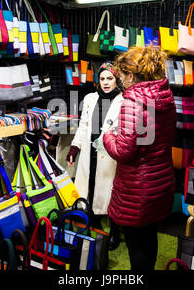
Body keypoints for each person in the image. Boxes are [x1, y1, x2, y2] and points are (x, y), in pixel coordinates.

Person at [103, 46, 177, 270]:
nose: (121, 80)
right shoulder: (165, 96)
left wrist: (108, 136)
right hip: (160, 181)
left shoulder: (133, 102)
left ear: (131, 75)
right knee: (149, 235)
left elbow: (125, 152)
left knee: (136, 244)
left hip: (138, 187)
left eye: (122, 75)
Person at [66, 61, 124, 250]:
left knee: (110, 194)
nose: (106, 82)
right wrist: (75, 147)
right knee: (89, 189)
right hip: (89, 152)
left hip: (110, 154)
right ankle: (95, 228)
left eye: (110, 78)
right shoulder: (90, 98)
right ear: (97, 80)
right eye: (102, 78)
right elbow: (83, 126)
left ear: (116, 80)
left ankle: (114, 233)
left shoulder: (123, 100)